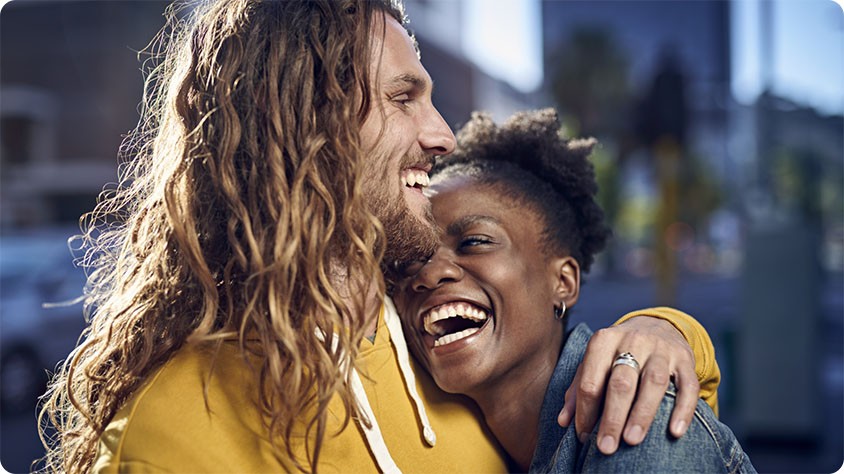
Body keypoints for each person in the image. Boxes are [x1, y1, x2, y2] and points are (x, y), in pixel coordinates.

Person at [38, 1, 719, 472]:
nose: (443, 135)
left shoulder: (439, 349)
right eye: (403, 98)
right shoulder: (179, 428)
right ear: (307, 127)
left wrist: (662, 331)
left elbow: (644, 431)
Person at [393, 108, 755, 472]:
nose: (429, 274)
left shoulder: (634, 423)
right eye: (411, 259)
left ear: (563, 283)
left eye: (473, 242)